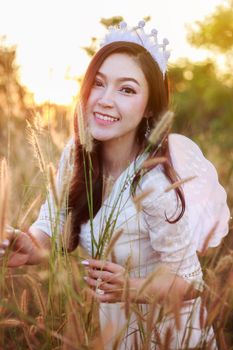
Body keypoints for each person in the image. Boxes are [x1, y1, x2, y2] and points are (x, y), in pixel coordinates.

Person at [0, 21, 230, 349]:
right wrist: (31, 244)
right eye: (99, 83)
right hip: (113, 332)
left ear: (150, 106)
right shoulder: (76, 154)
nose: (106, 99)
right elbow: (54, 223)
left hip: (168, 335)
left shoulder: (155, 180)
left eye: (127, 89)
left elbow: (190, 281)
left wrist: (132, 288)